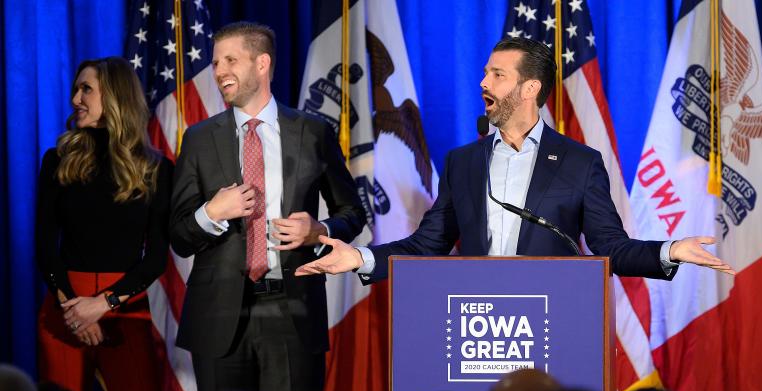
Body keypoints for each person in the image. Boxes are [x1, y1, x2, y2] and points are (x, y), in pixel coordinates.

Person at [294, 37, 734, 280]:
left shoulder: (581, 162)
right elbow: (426, 246)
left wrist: (671, 250)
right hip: (474, 324)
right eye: (485, 72)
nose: (483, 82)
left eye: (496, 75)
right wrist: (360, 258)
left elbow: (611, 249)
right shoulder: (463, 162)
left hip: (552, 320)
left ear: (530, 89)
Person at [170, 22, 366, 391]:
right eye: (214, 63)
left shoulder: (313, 132)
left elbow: (352, 212)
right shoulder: (197, 139)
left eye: (230, 60)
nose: (219, 71)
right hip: (217, 315)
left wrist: (320, 228)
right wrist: (211, 212)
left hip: (292, 313)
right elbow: (178, 235)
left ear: (262, 63)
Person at [36, 57, 171, 391]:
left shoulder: (156, 169)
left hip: (127, 311)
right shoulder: (58, 160)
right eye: (76, 89)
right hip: (63, 311)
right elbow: (45, 247)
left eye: (86, 89)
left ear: (114, 96)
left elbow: (157, 258)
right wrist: (74, 309)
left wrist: (103, 304)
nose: (76, 98)